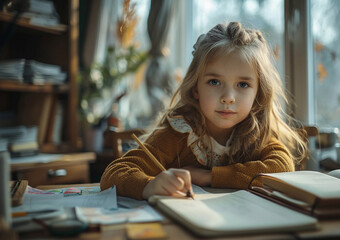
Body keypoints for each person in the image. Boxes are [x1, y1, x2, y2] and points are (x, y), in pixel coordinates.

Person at [100, 22, 307, 200]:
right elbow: (114, 173)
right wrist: (148, 185)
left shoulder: (255, 133)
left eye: (243, 85)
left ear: (258, 94)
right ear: (195, 88)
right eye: (214, 81)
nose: (228, 97)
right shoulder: (179, 134)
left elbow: (282, 166)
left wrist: (209, 176)